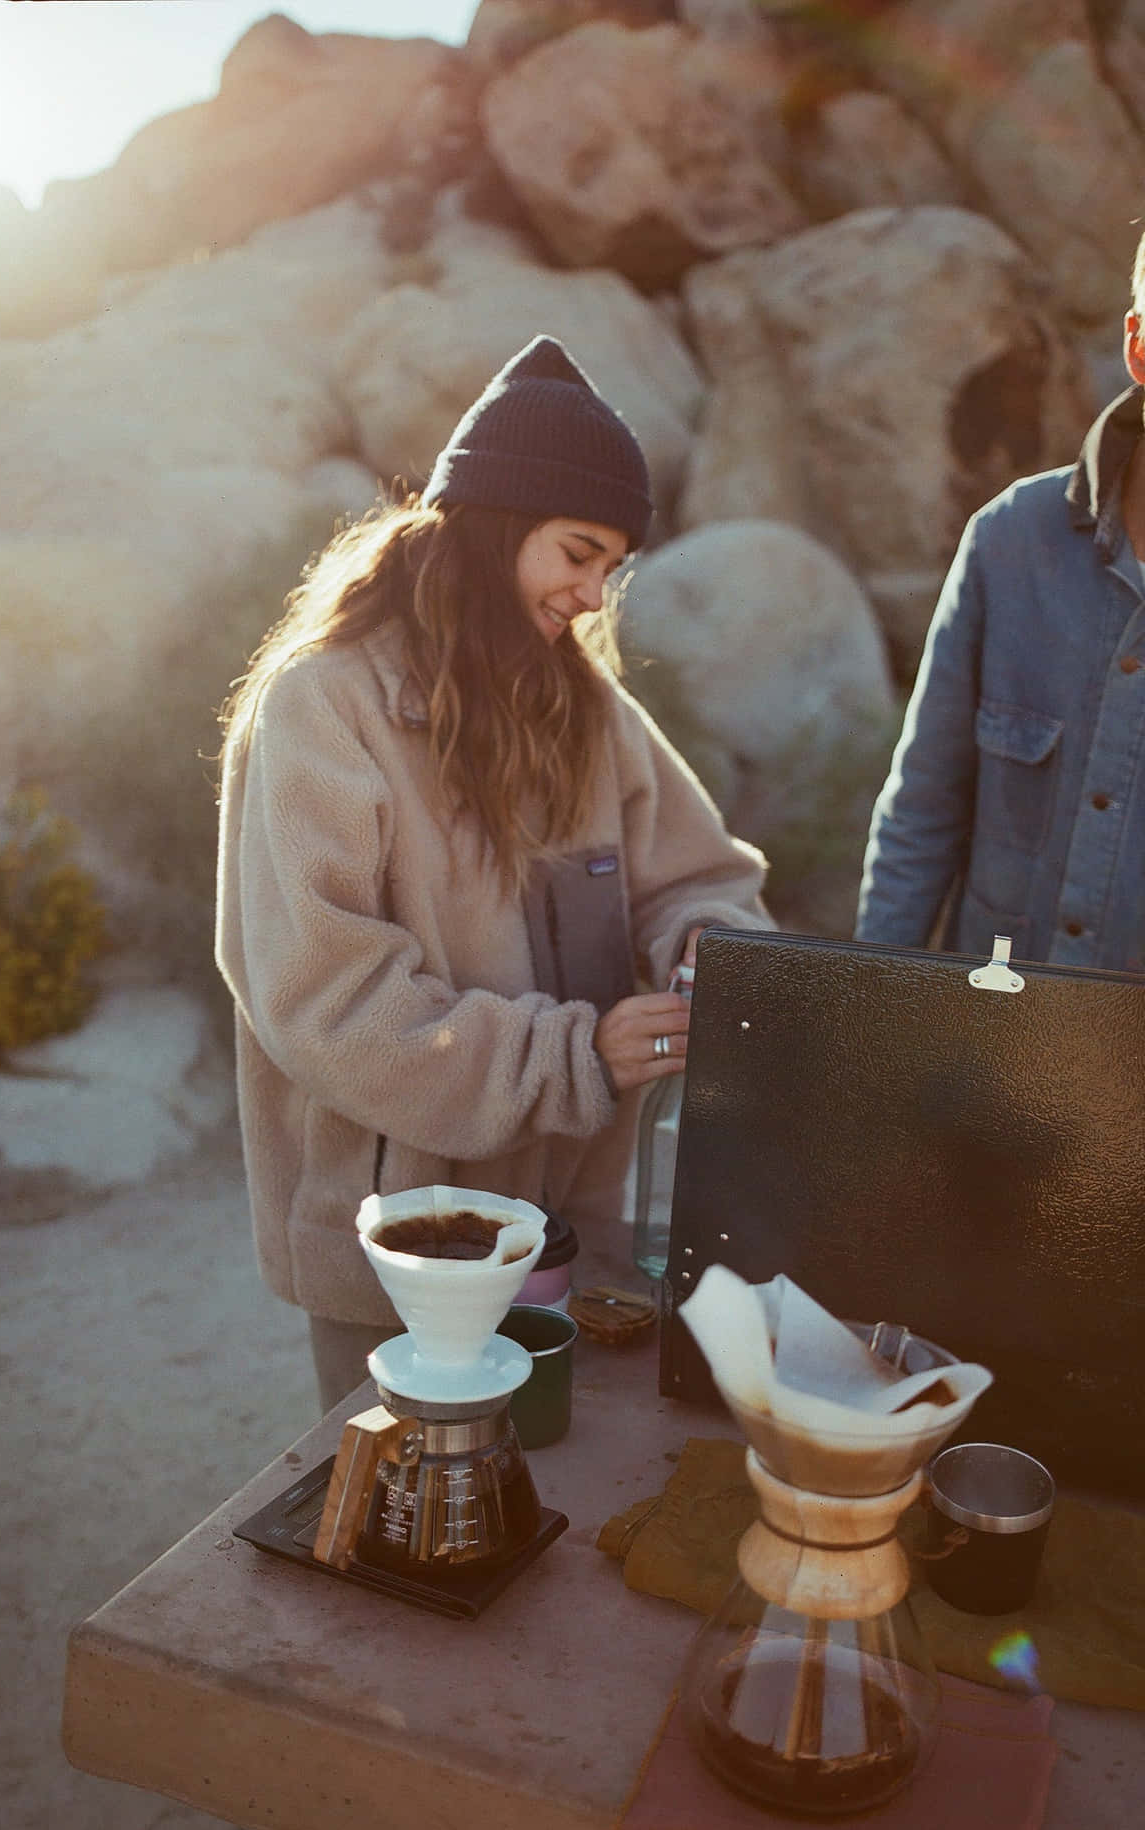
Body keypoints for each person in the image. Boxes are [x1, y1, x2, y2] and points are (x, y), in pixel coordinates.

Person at [216, 335, 772, 1411]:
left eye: (611, 568)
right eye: (576, 554)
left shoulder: (586, 710)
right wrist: (571, 1057)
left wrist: (703, 937)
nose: (592, 597)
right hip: (403, 1244)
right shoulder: (321, 708)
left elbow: (697, 875)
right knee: (400, 1528)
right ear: (493, 526)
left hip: (578, 1209)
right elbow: (328, 1002)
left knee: (568, 1509)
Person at [856, 127, 1145, 989]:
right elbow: (921, 820)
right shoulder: (1010, 543)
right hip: (985, 1079)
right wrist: (862, 1032)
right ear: (1142, 347)